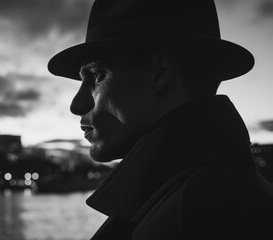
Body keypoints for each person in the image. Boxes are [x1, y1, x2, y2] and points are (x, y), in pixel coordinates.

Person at [48, 0, 273, 239]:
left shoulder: (199, 213)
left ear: (160, 72)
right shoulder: (207, 195)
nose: (76, 104)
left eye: (97, 75)